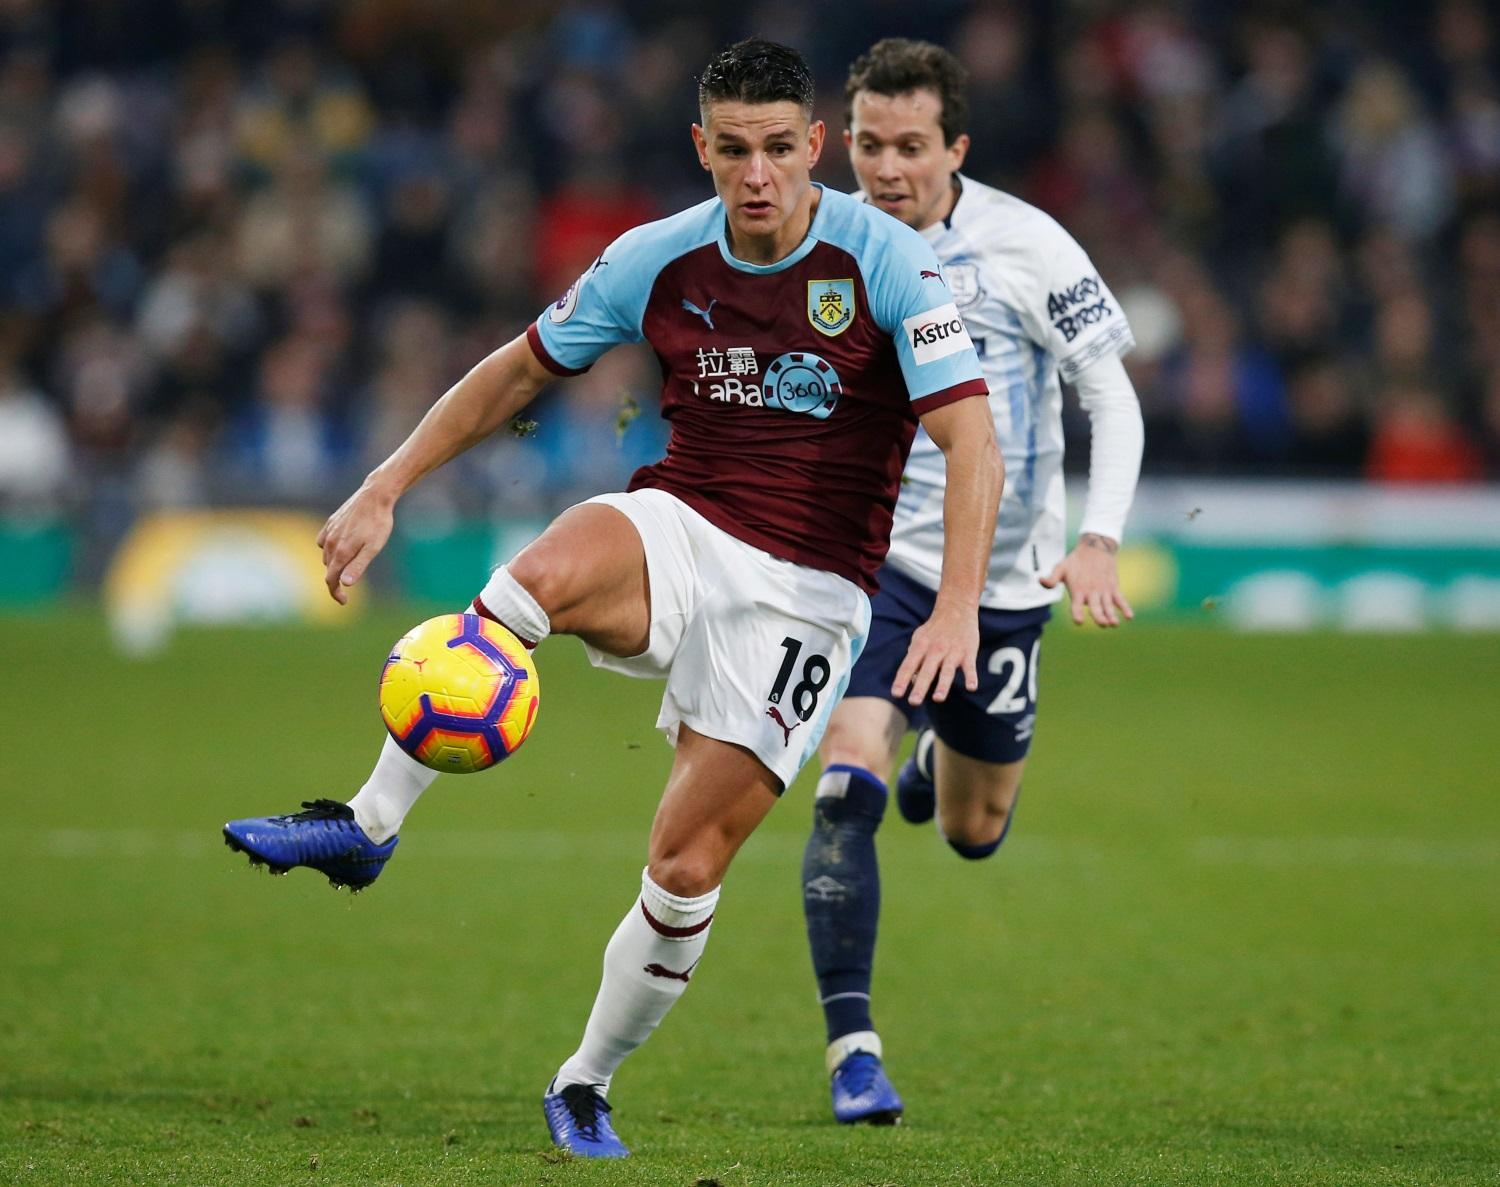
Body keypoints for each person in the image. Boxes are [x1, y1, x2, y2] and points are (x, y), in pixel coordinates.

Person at [222, 39, 1002, 1160]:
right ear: (701, 147)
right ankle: (367, 823)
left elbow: (970, 440)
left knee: (683, 870)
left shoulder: (887, 260)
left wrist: (956, 604)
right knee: (528, 581)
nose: (757, 175)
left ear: (815, 146)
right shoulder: (656, 256)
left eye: (779, 149)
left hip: (810, 592)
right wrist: (385, 484)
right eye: (732, 150)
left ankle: (584, 1080)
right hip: (683, 522)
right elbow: (518, 369)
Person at [801, 39, 1144, 1125]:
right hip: (882, 571)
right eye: (868, 145)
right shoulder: (816, 242)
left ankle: (940, 752)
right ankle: (854, 1052)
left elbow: (1111, 394)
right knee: (843, 783)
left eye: (910, 146)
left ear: (956, 147)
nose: (886, 168)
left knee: (973, 830)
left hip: (1004, 581)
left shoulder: (1025, 244)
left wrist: (1099, 536)